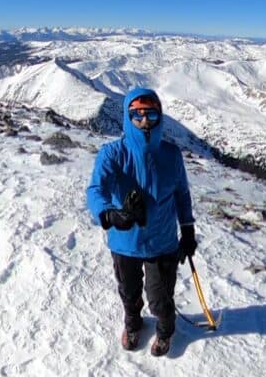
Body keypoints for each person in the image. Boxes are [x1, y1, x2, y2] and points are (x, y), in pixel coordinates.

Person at [86, 87, 197, 357]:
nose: (144, 121)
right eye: (137, 115)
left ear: (160, 116)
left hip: (163, 242)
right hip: (125, 243)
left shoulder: (171, 154)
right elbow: (95, 190)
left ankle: (165, 329)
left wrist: (188, 229)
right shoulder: (113, 154)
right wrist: (110, 214)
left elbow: (181, 193)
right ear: (128, 117)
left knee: (160, 298)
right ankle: (133, 324)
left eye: (151, 115)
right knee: (129, 292)